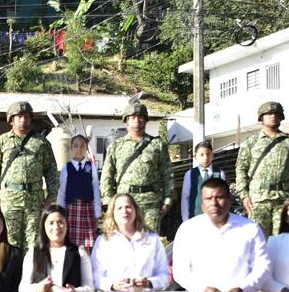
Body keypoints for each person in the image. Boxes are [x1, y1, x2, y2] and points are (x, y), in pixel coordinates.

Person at [0, 101, 60, 248]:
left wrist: (51, 197)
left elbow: (51, 170)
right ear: (11, 120)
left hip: (35, 200)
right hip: (9, 200)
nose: (23, 119)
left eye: (26, 116)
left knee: (33, 242)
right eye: (19, 116)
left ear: (31, 118)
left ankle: (30, 265)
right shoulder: (2, 142)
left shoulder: (41, 143)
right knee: (9, 242)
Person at [234, 102, 289, 237]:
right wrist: (244, 195)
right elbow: (241, 169)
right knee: (258, 239)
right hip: (258, 200)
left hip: (284, 199)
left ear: (281, 117)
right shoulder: (251, 142)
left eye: (276, 114)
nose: (273, 116)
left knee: (283, 240)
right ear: (261, 117)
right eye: (269, 113)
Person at [100, 102, 172, 234]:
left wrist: (167, 200)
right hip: (124, 204)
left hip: (150, 204)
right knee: (125, 240)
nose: (137, 120)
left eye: (140, 117)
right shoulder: (116, 146)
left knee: (149, 241)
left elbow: (167, 174)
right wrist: (109, 202)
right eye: (133, 117)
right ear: (126, 121)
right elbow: (107, 176)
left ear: (145, 120)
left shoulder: (157, 145)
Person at [57, 134, 102, 251]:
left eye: (82, 146)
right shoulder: (66, 168)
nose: (79, 149)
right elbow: (62, 192)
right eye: (76, 146)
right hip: (70, 212)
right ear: (71, 148)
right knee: (70, 245)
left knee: (87, 247)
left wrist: (97, 214)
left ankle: (86, 262)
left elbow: (96, 190)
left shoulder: (91, 167)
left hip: (87, 211)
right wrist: (60, 212)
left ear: (87, 148)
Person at [179, 140, 226, 222]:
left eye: (208, 154)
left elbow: (223, 197)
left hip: (215, 218)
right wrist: (185, 219)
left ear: (212, 155)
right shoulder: (190, 174)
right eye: (201, 154)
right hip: (194, 218)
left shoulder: (220, 173)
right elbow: (185, 198)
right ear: (195, 157)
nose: (205, 157)